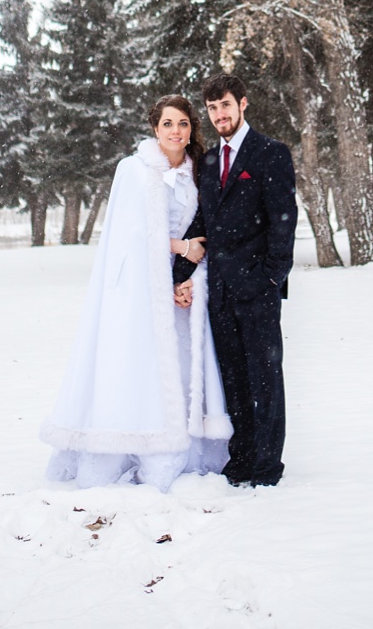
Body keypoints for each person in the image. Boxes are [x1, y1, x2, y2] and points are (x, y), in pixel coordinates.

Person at [41, 96, 232, 491]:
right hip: (140, 291)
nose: (176, 131)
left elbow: (206, 228)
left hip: (185, 288)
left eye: (183, 123)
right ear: (154, 128)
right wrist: (180, 249)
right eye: (167, 124)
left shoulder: (200, 172)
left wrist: (187, 277)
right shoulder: (134, 170)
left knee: (183, 364)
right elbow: (131, 236)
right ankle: (134, 442)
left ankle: (186, 448)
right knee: (140, 364)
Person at [172, 71, 296, 487]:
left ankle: (266, 465)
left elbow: (283, 225)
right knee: (234, 380)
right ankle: (241, 457)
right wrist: (179, 274)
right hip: (221, 291)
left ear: (243, 104)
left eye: (225, 104)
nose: (219, 114)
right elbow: (204, 220)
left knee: (265, 378)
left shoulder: (271, 153)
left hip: (257, 289)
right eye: (212, 108)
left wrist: (269, 279)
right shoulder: (207, 162)